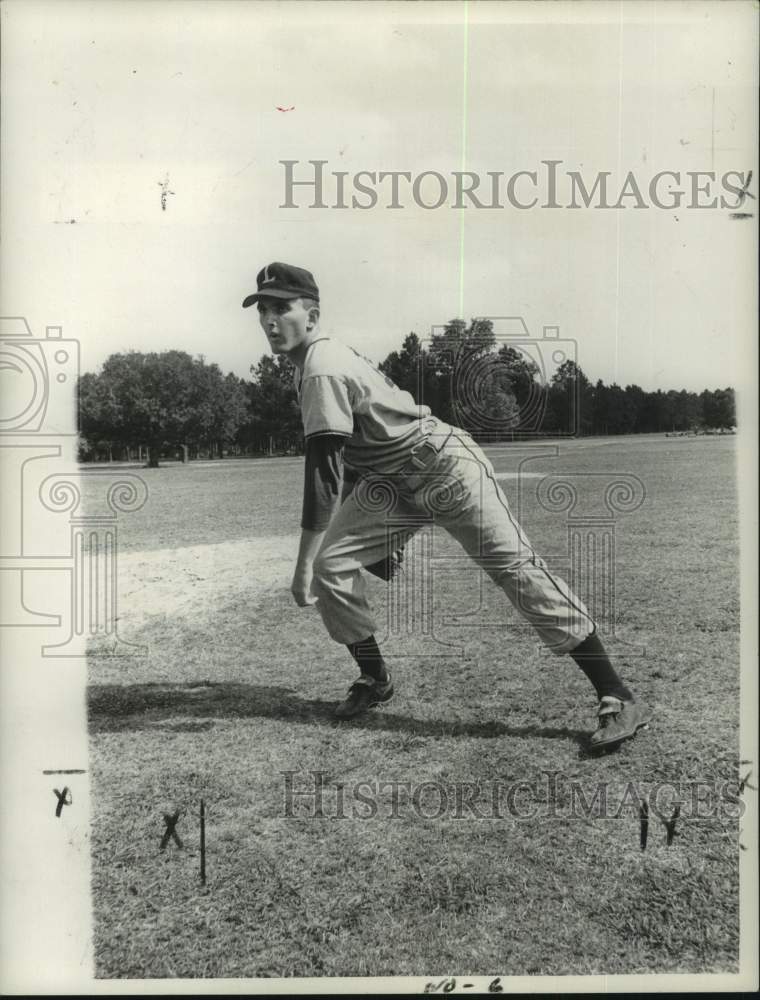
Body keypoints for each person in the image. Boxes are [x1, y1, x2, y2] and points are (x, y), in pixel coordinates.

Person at [242, 262, 649, 749]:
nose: (269, 320)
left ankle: (617, 695)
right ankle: (376, 680)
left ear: (311, 316)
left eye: (281, 308)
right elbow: (349, 454)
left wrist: (300, 565)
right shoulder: (312, 364)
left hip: (444, 468)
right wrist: (370, 535)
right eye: (263, 309)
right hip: (389, 482)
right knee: (335, 565)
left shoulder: (321, 367)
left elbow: (321, 475)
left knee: (515, 569)